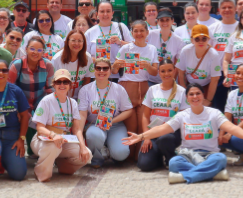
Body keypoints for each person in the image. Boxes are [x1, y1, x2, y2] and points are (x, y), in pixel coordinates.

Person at [122, 82, 243, 184]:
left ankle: (185, 177)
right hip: (189, 155)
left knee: (220, 159)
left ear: (203, 96)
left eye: (198, 93)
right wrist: (141, 136)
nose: (195, 97)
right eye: (191, 94)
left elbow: (232, 127)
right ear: (187, 98)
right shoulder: (182, 115)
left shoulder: (214, 113)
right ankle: (213, 173)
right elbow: (162, 129)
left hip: (210, 154)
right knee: (174, 162)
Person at [30, 69, 92, 182]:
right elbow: (39, 128)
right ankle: (41, 172)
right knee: (53, 147)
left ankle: (63, 166)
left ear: (70, 85)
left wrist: (83, 147)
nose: (62, 85)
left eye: (65, 82)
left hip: (64, 140)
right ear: (54, 84)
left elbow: (77, 128)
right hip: (44, 140)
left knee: (87, 155)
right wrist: (53, 135)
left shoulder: (73, 103)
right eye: (59, 82)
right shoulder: (46, 101)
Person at [113, 20, 158, 159]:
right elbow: (114, 70)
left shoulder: (152, 49)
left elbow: (155, 72)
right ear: (131, 33)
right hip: (127, 87)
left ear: (147, 32)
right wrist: (116, 65)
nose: (139, 34)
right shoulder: (126, 49)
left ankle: (140, 156)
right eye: (136, 31)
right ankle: (128, 155)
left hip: (144, 87)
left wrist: (147, 66)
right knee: (130, 125)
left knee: (142, 125)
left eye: (141, 31)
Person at [78, 58, 134, 168]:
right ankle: (97, 157)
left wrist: (111, 121)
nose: (102, 71)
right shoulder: (85, 90)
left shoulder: (119, 89)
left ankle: (111, 150)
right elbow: (83, 114)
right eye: (98, 68)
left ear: (110, 70)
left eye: (105, 68)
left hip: (115, 125)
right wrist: (79, 133)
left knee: (121, 154)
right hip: (95, 125)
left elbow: (128, 110)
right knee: (93, 135)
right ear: (94, 70)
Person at [137, 60, 188, 171]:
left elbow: (185, 118)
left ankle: (171, 158)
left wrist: (170, 126)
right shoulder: (152, 90)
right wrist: (146, 137)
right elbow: (145, 116)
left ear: (175, 71)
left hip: (171, 134)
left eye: (170, 70)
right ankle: (158, 155)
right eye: (163, 71)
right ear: (159, 72)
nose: (166, 74)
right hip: (153, 133)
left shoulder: (182, 91)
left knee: (165, 139)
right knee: (144, 165)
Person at [9, 36, 55, 153]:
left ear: (43, 52)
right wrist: (16, 109)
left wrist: (47, 111)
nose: (35, 52)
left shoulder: (48, 66)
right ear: (26, 49)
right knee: (28, 118)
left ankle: (40, 149)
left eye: (39, 50)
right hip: (21, 105)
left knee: (43, 119)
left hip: (39, 104)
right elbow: (9, 90)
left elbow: (50, 90)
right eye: (32, 49)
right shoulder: (17, 65)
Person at [85, 1, 133, 81]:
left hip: (119, 75)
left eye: (108, 11)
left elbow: (134, 48)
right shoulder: (90, 32)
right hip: (97, 75)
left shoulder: (121, 27)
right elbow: (85, 55)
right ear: (97, 13)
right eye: (102, 11)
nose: (105, 14)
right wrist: (97, 60)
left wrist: (121, 42)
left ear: (112, 13)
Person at [176, 25, 222, 104]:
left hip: (206, 87)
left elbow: (214, 80)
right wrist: (185, 93)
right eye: (197, 39)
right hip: (189, 85)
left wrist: (208, 100)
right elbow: (181, 73)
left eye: (204, 38)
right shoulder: (186, 51)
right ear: (192, 40)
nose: (201, 42)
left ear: (208, 39)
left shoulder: (214, 55)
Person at [208, 0, 238, 109]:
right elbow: (208, 49)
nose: (227, 10)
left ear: (235, 9)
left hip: (236, 71)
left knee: (236, 105)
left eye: (230, 7)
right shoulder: (212, 28)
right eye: (224, 7)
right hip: (217, 72)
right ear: (219, 10)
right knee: (218, 105)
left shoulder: (241, 27)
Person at [147, 9, 185, 85]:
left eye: (167, 20)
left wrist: (171, 81)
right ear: (157, 21)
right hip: (150, 79)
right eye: (162, 20)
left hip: (168, 80)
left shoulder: (179, 41)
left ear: (172, 21)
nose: (164, 23)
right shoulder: (150, 35)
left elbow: (177, 65)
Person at [52, 30, 94, 99]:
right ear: (67, 42)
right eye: (73, 40)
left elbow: (87, 78)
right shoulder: (57, 59)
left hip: (79, 97)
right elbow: (52, 81)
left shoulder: (88, 57)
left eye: (80, 41)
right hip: (61, 97)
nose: (76, 43)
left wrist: (82, 97)